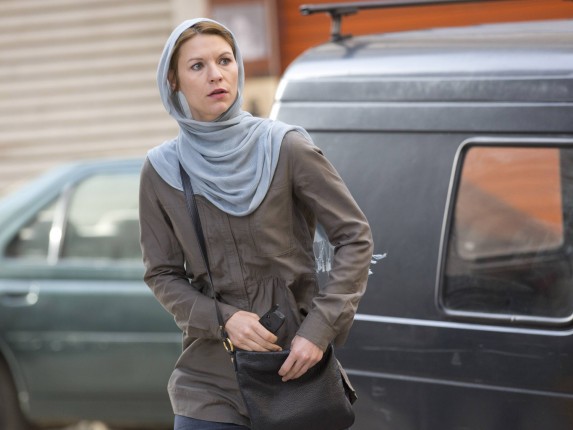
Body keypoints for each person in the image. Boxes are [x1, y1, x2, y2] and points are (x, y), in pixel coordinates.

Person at [139, 17, 373, 430]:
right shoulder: (161, 170)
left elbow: (355, 237)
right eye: (197, 66)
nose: (216, 75)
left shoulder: (285, 147)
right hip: (209, 378)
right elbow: (162, 273)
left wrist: (318, 332)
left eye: (224, 60)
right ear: (172, 81)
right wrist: (223, 319)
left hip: (293, 365)